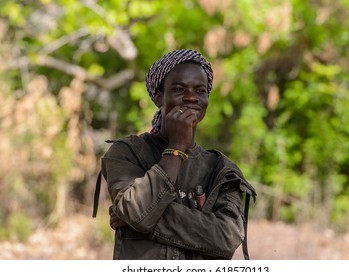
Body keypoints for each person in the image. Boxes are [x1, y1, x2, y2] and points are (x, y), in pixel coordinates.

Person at [97, 49, 256, 260]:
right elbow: (137, 212)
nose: (191, 97)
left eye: (200, 90)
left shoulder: (222, 170)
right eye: (179, 89)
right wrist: (177, 146)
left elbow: (226, 239)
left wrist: (140, 218)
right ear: (158, 97)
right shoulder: (127, 152)